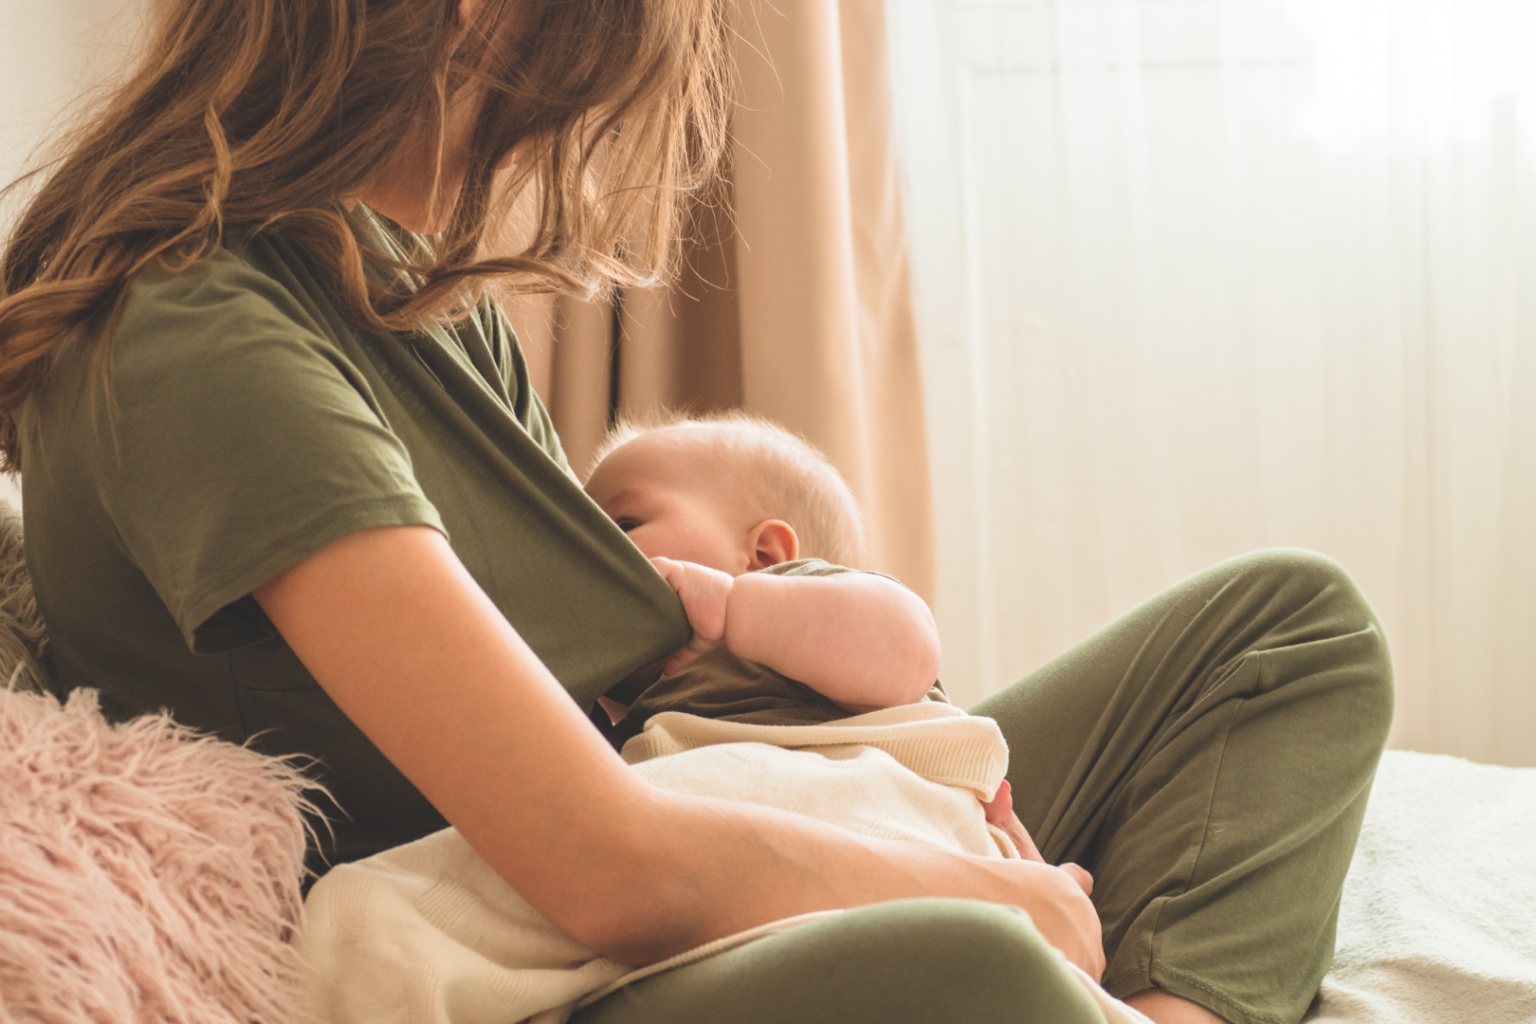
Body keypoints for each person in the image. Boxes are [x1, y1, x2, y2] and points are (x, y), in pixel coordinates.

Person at [0, 0, 1393, 1022]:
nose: (570, 131)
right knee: (981, 969)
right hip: (566, 950)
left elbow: (638, 684)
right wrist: (983, 889)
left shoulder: (403, 282)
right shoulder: (197, 331)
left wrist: (897, 785)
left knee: (1291, 627)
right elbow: (599, 865)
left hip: (698, 791)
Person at [579, 412, 1048, 861]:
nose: (591, 556)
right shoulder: (625, 721)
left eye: (622, 526)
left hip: (887, 838)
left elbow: (909, 651)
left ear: (766, 555)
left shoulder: (813, 615)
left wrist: (734, 607)